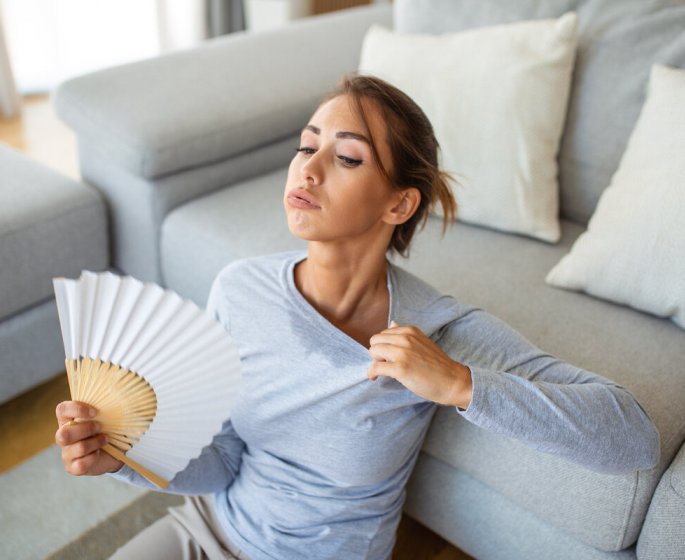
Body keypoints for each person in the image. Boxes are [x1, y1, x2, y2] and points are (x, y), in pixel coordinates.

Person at [54, 75, 660, 560]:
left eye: (346, 157)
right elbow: (228, 462)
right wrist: (126, 460)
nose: (308, 168)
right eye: (307, 144)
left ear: (399, 203)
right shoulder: (240, 290)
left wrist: (458, 384)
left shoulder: (439, 333)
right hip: (209, 533)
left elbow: (632, 437)